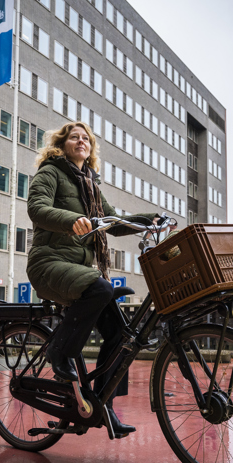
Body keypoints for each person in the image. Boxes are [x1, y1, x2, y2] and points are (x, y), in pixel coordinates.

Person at [26, 121, 157, 436]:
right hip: (49, 263)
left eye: (86, 138)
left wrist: (149, 220)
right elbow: (37, 208)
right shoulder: (51, 172)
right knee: (100, 288)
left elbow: (114, 221)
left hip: (80, 271)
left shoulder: (90, 185)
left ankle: (103, 404)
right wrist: (74, 220)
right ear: (63, 144)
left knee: (119, 333)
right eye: (75, 137)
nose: (81, 141)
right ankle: (58, 352)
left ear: (91, 148)